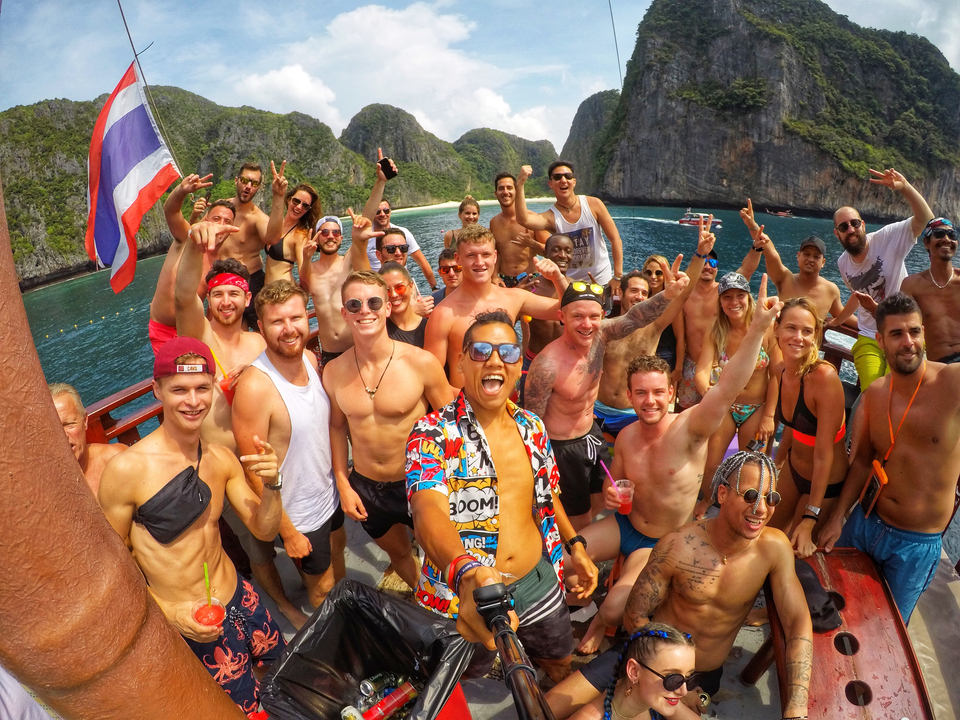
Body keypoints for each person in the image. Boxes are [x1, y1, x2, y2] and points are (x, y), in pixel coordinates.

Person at [571, 275, 784, 654]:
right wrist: (609, 494)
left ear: (671, 392)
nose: (649, 401)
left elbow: (728, 386)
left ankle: (599, 622)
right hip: (625, 526)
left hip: (657, 542)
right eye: (640, 393)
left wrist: (757, 330)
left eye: (657, 392)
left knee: (615, 607)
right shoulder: (625, 437)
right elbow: (614, 490)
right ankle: (590, 602)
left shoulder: (690, 428)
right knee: (565, 560)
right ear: (630, 396)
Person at [407, 311, 598, 683]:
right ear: (460, 363)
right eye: (480, 351)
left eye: (507, 352)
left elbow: (546, 494)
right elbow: (426, 510)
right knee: (468, 674)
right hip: (466, 595)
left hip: (538, 579)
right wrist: (465, 572)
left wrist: (575, 544)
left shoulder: (532, 426)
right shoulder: (432, 433)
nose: (495, 360)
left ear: (518, 365)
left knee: (559, 660)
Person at [98, 336, 285, 714]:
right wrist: (169, 614)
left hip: (240, 598)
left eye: (202, 388)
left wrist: (273, 486)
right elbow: (111, 568)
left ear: (214, 388)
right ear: (157, 390)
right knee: (238, 709)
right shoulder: (127, 471)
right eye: (179, 390)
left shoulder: (219, 459)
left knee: (279, 676)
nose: (194, 401)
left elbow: (263, 530)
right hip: (191, 620)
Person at [550, 450, 812, 720]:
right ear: (722, 494)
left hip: (699, 677)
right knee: (548, 708)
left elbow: (797, 622)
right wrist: (668, 677)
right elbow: (634, 616)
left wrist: (797, 707)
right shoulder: (678, 545)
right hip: (645, 654)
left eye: (771, 498)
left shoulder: (774, 548)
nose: (761, 508)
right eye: (750, 496)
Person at [821, 292, 960, 622]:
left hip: (915, 543)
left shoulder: (951, 383)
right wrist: (837, 517)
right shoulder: (875, 394)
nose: (908, 341)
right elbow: (861, 460)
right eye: (897, 334)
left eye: (914, 331)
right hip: (866, 521)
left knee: (887, 627)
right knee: (831, 605)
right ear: (881, 341)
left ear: (924, 333)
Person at [525, 266, 691, 530]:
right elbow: (531, 423)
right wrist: (539, 470)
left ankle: (595, 548)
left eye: (593, 316)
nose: (586, 324)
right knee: (578, 517)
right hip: (563, 448)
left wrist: (668, 294)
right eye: (577, 316)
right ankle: (576, 559)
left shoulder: (601, 335)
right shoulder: (547, 365)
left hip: (592, 433)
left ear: (602, 316)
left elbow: (637, 317)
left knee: (605, 497)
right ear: (561, 317)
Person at [324, 271, 453, 591]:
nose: (364, 310)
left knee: (444, 555)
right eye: (354, 304)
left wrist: (454, 481)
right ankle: (427, 598)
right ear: (344, 313)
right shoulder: (333, 370)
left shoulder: (421, 363)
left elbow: (452, 425)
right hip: (367, 487)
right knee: (398, 554)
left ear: (387, 308)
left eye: (373, 302)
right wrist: (343, 483)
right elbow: (337, 428)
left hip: (421, 482)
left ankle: (456, 606)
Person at [232, 281, 346, 618]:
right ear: (261, 328)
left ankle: (348, 621)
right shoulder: (255, 388)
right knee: (321, 590)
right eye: (277, 322)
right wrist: (288, 532)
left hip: (329, 494)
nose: (289, 329)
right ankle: (336, 650)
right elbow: (255, 472)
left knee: (338, 566)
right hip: (299, 513)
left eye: (295, 318)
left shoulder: (311, 358)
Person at [424, 224, 568, 388]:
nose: (479, 262)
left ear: (494, 256)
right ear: (458, 259)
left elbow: (566, 311)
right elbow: (431, 378)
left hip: (508, 403)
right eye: (471, 255)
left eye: (485, 254)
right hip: (464, 406)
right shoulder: (443, 314)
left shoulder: (513, 298)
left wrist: (558, 279)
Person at [833, 167, 933, 390]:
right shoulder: (842, 263)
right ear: (837, 234)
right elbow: (858, 296)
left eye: (854, 223)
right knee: (872, 392)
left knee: (898, 389)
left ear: (863, 225)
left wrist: (905, 188)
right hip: (870, 335)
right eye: (843, 226)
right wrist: (837, 321)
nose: (850, 229)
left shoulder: (887, 239)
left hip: (901, 330)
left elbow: (926, 220)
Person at [174, 217, 266, 452]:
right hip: (220, 464)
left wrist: (254, 374)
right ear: (209, 299)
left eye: (234, 294)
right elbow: (184, 296)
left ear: (247, 299)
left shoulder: (258, 342)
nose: (226, 302)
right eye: (218, 294)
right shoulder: (200, 336)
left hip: (262, 455)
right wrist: (195, 244)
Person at [694, 272, 779, 518]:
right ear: (720, 302)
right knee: (711, 461)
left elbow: (775, 375)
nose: (734, 302)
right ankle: (709, 498)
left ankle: (748, 506)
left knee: (752, 464)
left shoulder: (765, 328)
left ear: (749, 298)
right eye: (727, 296)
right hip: (726, 406)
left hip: (758, 407)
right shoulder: (716, 331)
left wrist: (769, 416)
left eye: (740, 295)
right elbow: (702, 370)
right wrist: (706, 391)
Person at [769, 298, 848, 557]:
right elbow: (792, 428)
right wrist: (776, 467)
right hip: (794, 469)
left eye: (807, 331)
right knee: (765, 534)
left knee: (792, 549)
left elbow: (824, 454)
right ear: (776, 329)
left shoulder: (824, 378)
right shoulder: (781, 371)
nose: (798, 337)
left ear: (816, 335)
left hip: (824, 483)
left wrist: (810, 516)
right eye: (791, 328)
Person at [594, 252, 703, 436]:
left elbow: (682, 295)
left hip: (633, 412)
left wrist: (701, 254)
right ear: (621, 292)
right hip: (597, 409)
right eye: (634, 291)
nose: (639, 297)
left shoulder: (655, 327)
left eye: (644, 293)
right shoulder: (607, 328)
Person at [515, 161, 623, 293]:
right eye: (557, 177)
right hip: (571, 285)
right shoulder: (551, 217)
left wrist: (617, 276)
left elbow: (615, 239)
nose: (563, 180)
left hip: (601, 280)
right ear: (550, 184)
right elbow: (523, 219)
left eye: (568, 176)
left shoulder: (594, 204)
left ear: (574, 182)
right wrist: (519, 184)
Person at [560, 624, 700, 720]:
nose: (683, 691)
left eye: (688, 678)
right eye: (673, 679)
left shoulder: (655, 696)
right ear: (634, 671)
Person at [738, 198, 845, 322]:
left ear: (823, 262)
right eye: (807, 254)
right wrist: (752, 226)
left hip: (811, 342)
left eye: (816, 257)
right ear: (798, 256)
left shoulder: (831, 290)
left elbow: (842, 316)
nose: (811, 259)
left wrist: (871, 323)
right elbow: (771, 253)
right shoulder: (785, 280)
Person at [298, 210, 374, 368]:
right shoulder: (309, 269)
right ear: (317, 238)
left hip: (356, 348)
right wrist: (306, 257)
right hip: (329, 354)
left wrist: (380, 183)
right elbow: (303, 287)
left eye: (335, 232)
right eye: (324, 232)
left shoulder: (348, 261)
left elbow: (360, 240)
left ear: (341, 237)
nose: (330, 236)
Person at [155, 172, 220, 356]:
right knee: (174, 379)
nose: (219, 225)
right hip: (164, 329)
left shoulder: (222, 260)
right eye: (216, 219)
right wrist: (181, 191)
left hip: (195, 330)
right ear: (206, 219)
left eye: (226, 221)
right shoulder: (188, 236)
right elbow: (171, 211)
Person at [221, 161, 287, 327]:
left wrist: (278, 196)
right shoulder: (220, 210)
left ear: (259, 187)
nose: (248, 186)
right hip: (222, 282)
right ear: (236, 180)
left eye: (255, 183)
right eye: (245, 180)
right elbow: (197, 237)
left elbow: (272, 238)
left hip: (252, 282)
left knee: (265, 336)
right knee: (227, 338)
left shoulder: (257, 217)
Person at [361, 149, 438, 289]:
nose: (382, 214)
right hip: (380, 289)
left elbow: (422, 263)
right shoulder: (365, 238)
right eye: (377, 211)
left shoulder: (402, 234)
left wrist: (435, 288)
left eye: (386, 210)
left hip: (403, 286)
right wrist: (380, 182)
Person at [899, 218, 960, 363]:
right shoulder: (912, 285)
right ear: (926, 242)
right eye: (939, 234)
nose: (946, 239)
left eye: (952, 235)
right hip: (940, 366)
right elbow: (902, 325)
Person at [49, 383, 125, 496]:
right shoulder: (43, 485)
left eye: (69, 424)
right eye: (53, 429)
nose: (63, 435)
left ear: (85, 421)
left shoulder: (117, 460)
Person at [676, 246, 720, 411]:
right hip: (690, 364)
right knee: (683, 413)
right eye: (704, 262)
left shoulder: (724, 294)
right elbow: (680, 336)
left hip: (717, 365)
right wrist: (679, 367)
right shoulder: (684, 295)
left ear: (717, 268)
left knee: (715, 416)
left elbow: (746, 270)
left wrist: (756, 248)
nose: (708, 266)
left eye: (713, 262)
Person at [489, 172, 549, 287]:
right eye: (501, 188)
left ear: (516, 191)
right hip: (504, 280)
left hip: (531, 278)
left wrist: (532, 244)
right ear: (496, 194)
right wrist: (494, 276)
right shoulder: (494, 223)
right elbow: (497, 254)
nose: (505, 192)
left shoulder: (532, 219)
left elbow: (551, 252)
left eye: (509, 188)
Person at [264, 182, 320, 285]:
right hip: (268, 293)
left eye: (305, 206)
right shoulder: (276, 225)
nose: (299, 207)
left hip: (284, 294)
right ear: (289, 199)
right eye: (296, 201)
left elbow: (304, 276)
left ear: (308, 210)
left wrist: (307, 257)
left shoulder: (300, 236)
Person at [642, 254, 686, 383]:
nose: (653, 277)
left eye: (658, 273)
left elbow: (680, 337)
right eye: (648, 272)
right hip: (642, 351)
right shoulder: (641, 298)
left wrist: (678, 368)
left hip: (664, 354)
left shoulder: (672, 302)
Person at [380, 262, 432, 348]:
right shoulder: (379, 330)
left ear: (411, 287)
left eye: (399, 288)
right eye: (387, 290)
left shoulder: (431, 327)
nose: (394, 294)